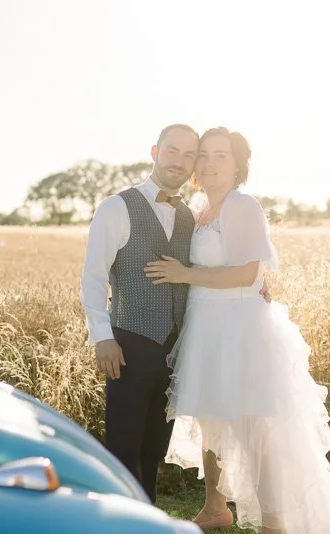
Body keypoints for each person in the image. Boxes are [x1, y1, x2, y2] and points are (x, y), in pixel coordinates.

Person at [144, 126, 330, 534]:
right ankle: (216, 507)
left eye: (221, 157)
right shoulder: (200, 207)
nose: (209, 164)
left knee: (255, 432)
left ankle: (276, 531)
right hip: (206, 326)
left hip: (239, 328)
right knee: (209, 420)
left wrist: (183, 275)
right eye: (203, 156)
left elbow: (248, 273)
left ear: (238, 165)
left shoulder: (244, 207)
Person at [80, 123, 199, 503]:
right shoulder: (117, 207)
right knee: (122, 451)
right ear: (155, 151)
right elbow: (93, 278)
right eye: (172, 150)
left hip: (174, 349)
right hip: (128, 344)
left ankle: (147, 527)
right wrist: (102, 338)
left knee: (154, 451)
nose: (178, 161)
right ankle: (115, 533)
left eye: (188, 155)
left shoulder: (189, 218)